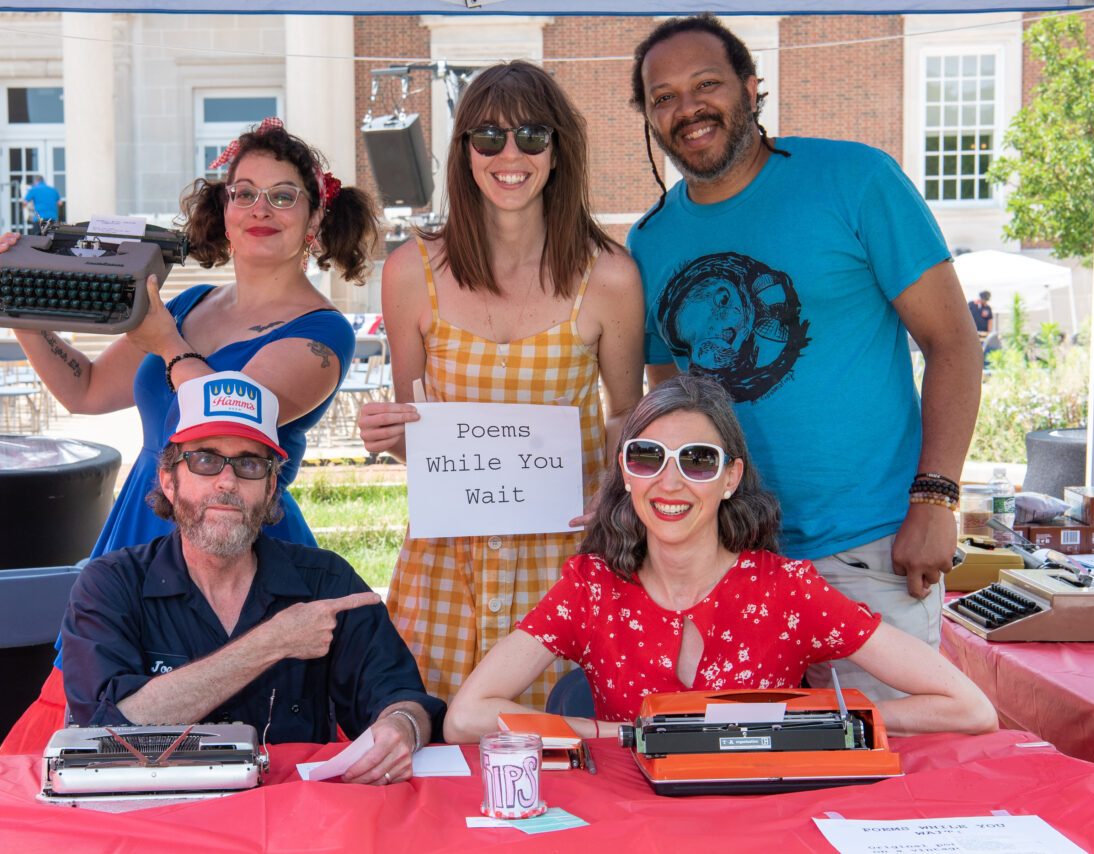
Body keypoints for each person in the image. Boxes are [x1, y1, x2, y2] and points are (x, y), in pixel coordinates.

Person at [0, 118, 379, 753]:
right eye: (243, 192)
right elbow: (84, 391)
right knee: (105, 727)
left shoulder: (324, 333)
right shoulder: (193, 302)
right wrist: (19, 305)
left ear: (314, 221)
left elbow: (229, 418)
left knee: (226, 717)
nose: (260, 209)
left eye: (283, 195)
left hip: (235, 534)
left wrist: (162, 339)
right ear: (221, 212)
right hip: (141, 531)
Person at [625, 15, 983, 702]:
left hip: (870, 553)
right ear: (649, 117)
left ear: (752, 89)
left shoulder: (856, 179)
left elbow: (952, 341)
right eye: (663, 96)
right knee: (749, 788)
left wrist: (936, 497)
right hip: (728, 567)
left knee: (886, 785)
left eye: (707, 84)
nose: (687, 108)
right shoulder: (650, 241)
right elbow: (668, 400)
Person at [444, 374, 997, 742]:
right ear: (626, 472)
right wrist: (623, 735)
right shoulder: (592, 587)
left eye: (698, 461)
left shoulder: (787, 590)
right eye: (647, 457)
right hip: (633, 824)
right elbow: (467, 716)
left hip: (765, 827)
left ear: (731, 477)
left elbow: (970, 708)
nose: (670, 482)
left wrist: (811, 723)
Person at [356, 61, 646, 708]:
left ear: (558, 149)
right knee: (437, 751)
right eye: (487, 137)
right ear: (464, 152)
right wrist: (388, 434)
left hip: (566, 560)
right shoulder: (411, 273)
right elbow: (420, 433)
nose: (509, 155)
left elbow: (627, 415)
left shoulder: (611, 278)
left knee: (570, 756)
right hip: (447, 566)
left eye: (531, 137)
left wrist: (617, 494)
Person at [62, 371, 443, 784]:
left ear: (270, 486)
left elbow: (401, 696)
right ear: (169, 481)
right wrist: (273, 641)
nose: (228, 481)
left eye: (249, 463)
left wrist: (402, 728)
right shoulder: (111, 585)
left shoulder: (325, 580)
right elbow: (104, 733)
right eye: (205, 459)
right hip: (159, 817)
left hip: (291, 821)